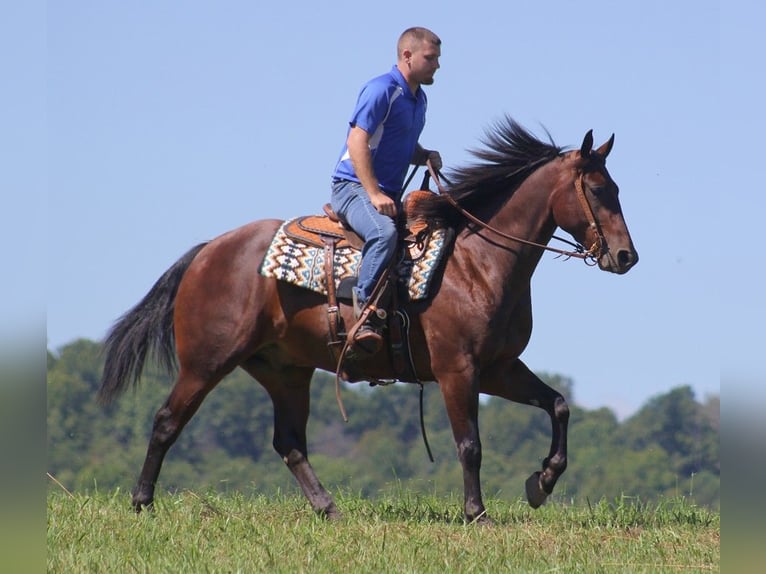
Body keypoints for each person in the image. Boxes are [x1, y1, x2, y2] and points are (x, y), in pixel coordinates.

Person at [330, 27, 443, 354]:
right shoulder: (381, 89)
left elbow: (396, 143)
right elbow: (357, 141)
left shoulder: (419, 98)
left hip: (384, 193)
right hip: (352, 188)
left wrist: (422, 156)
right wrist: (375, 194)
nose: (437, 65)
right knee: (383, 234)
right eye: (430, 58)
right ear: (407, 56)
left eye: (437, 58)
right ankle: (364, 315)